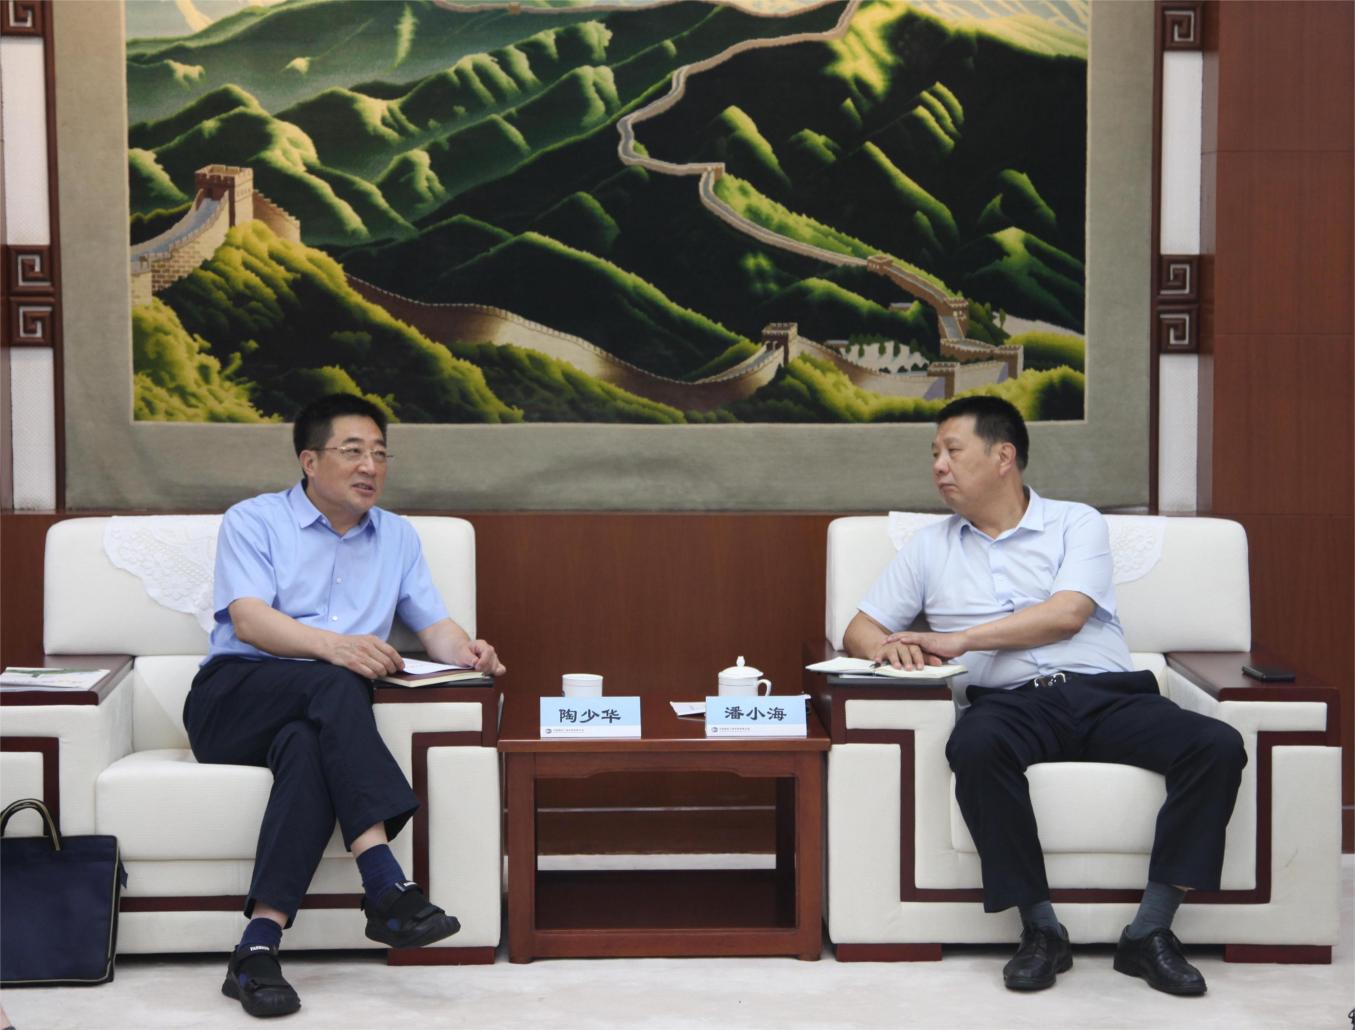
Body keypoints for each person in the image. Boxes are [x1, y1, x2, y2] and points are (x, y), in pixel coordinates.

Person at [843, 395, 1245, 996]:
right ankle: (1040, 931)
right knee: (975, 746)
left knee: (1216, 744)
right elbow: (858, 628)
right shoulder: (930, 546)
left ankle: (1150, 932)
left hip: (1106, 695)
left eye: (952, 450)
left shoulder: (1075, 523)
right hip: (1008, 705)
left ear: (1003, 456)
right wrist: (889, 650)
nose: (938, 466)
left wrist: (958, 640)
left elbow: (1067, 615)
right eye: (934, 454)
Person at [186, 393, 506, 1018]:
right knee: (338, 680)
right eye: (353, 451)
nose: (370, 467)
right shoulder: (254, 520)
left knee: (308, 748)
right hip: (233, 699)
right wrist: (335, 648)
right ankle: (384, 882)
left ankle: (256, 948)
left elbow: (433, 626)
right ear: (309, 461)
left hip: (316, 716)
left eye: (380, 454)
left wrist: (468, 651)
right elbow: (248, 620)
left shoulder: (397, 537)